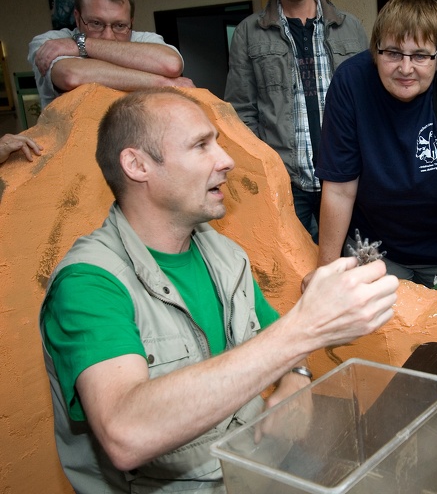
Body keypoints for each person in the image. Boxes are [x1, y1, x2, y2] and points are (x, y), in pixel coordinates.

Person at [38, 88, 398, 492]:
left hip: (252, 473)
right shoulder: (89, 284)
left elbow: (275, 340)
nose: (226, 162)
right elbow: (125, 433)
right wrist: (307, 326)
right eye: (200, 146)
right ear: (137, 165)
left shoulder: (225, 254)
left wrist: (296, 377)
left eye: (218, 144)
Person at [315, 0, 437, 288]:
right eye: (392, 53)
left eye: (420, 55)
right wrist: (325, 277)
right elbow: (340, 188)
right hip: (373, 248)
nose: (405, 69)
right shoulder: (350, 83)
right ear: (374, 50)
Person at [225, 0, 367, 243]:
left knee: (354, 264)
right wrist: (266, 166)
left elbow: (369, 102)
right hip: (287, 180)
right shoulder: (248, 33)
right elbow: (241, 111)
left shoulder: (350, 27)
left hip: (347, 175)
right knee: (293, 270)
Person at [28, 0, 193, 109]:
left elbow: (171, 64)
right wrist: (162, 83)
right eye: (96, 23)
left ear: (131, 22)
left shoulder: (142, 39)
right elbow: (71, 75)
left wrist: (82, 44)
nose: (108, 36)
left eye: (119, 25)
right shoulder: (50, 42)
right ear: (77, 18)